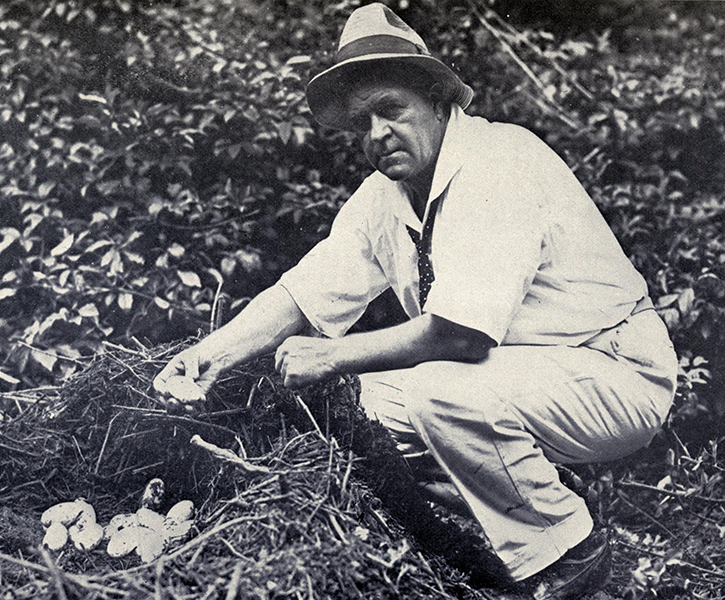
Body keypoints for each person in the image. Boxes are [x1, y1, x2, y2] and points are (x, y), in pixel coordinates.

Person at [154, 4, 678, 599]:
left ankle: (570, 551)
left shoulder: (498, 162)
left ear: (435, 99)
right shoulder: (386, 196)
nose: (378, 134)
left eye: (391, 109)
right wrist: (208, 356)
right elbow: (303, 294)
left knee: (436, 390)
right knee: (359, 406)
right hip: (528, 377)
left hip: (614, 371)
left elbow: (463, 337)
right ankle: (501, 530)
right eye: (363, 121)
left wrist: (332, 354)